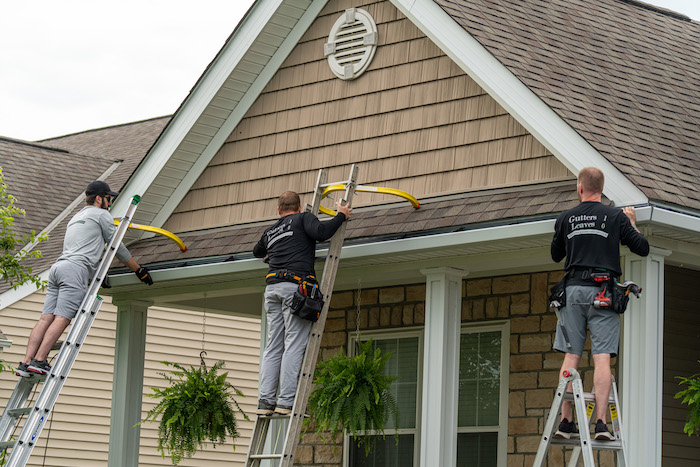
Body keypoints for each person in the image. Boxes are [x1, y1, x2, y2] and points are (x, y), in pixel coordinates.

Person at [15, 180, 153, 377]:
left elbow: (87, 245)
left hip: (58, 268)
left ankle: (26, 362)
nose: (110, 203)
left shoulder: (77, 216)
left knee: (46, 318)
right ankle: (39, 361)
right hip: (75, 270)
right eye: (108, 198)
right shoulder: (101, 214)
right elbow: (117, 248)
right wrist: (138, 270)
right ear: (99, 199)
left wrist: (99, 272)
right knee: (62, 318)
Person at [550, 167, 649, 440]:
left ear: (580, 188)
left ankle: (566, 421)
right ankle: (602, 424)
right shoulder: (615, 216)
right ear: (601, 189)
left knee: (572, 354)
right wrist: (631, 223)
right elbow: (642, 247)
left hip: (572, 292)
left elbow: (556, 255)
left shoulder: (565, 218)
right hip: (603, 293)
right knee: (601, 357)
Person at [253, 191, 351, 415]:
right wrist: (341, 215)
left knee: (273, 346)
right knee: (294, 343)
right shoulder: (304, 219)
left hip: (272, 288)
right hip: (294, 288)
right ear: (298, 208)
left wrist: (274, 249)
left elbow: (257, 251)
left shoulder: (271, 230)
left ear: (279, 210)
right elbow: (322, 232)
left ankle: (265, 401)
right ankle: (286, 402)